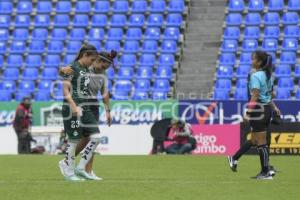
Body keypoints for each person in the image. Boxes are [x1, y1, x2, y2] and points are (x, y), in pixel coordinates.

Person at [58, 49, 115, 180]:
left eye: (106, 67)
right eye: (102, 65)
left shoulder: (104, 74)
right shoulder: (86, 67)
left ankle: (87, 170)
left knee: (91, 138)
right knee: (83, 138)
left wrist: (107, 110)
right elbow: (67, 72)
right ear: (96, 60)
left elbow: (105, 93)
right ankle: (69, 163)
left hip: (93, 105)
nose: (103, 69)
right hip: (80, 103)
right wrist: (61, 70)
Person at [227, 50, 281, 180]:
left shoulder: (256, 76)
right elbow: (269, 95)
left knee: (260, 140)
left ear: (259, 62)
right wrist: (274, 107)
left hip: (258, 110)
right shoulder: (268, 76)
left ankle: (265, 172)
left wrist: (248, 112)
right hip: (267, 109)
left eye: (253, 59)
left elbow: (255, 95)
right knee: (258, 139)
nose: (251, 61)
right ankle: (265, 169)